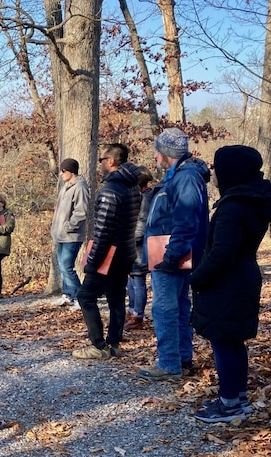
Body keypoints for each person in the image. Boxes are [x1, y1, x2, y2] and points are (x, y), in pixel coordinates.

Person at [190, 146, 271, 423]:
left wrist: (197, 277)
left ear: (230, 170)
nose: (212, 172)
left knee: (223, 340)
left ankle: (229, 404)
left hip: (228, 282)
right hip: (242, 277)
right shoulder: (251, 200)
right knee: (233, 339)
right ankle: (238, 398)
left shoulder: (234, 206)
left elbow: (222, 253)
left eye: (216, 167)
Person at [138, 128, 210, 380]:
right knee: (178, 306)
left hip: (172, 255)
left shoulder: (186, 178)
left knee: (165, 309)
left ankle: (169, 363)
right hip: (170, 252)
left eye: (158, 152)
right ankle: (182, 358)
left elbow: (186, 221)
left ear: (167, 153)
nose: (155, 157)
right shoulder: (178, 175)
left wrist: (171, 255)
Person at [72, 144, 141, 359]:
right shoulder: (133, 187)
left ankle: (98, 346)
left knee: (85, 296)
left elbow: (103, 233)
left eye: (102, 159)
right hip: (126, 253)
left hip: (109, 257)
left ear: (111, 162)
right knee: (116, 298)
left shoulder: (110, 191)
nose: (99, 163)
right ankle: (114, 344)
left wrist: (92, 261)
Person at [50, 158, 90, 311]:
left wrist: (68, 226)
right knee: (62, 266)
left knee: (67, 267)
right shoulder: (66, 186)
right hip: (60, 234)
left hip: (72, 235)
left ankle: (81, 298)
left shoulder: (80, 187)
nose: (60, 174)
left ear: (71, 171)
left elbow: (81, 211)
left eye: (63, 171)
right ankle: (68, 295)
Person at [125, 166, 155, 331]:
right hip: (131, 245)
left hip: (139, 246)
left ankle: (138, 315)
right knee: (131, 279)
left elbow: (142, 222)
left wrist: (131, 239)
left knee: (138, 279)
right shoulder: (138, 196)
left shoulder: (146, 198)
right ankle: (131, 310)